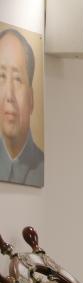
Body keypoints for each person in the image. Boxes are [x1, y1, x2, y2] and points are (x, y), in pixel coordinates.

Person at [0, 28, 43, 187]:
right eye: (2, 76)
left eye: (17, 79)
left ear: (31, 99)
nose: (9, 96)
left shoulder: (42, 167)